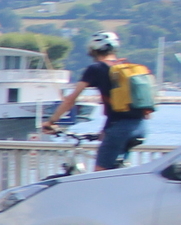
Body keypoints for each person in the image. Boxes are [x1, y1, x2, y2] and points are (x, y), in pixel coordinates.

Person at [42, 31, 153, 169]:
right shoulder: (125, 68)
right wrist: (105, 130)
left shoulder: (96, 68)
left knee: (99, 176)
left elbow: (71, 99)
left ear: (93, 50)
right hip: (140, 126)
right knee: (116, 171)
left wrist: (51, 122)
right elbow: (119, 107)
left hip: (120, 128)